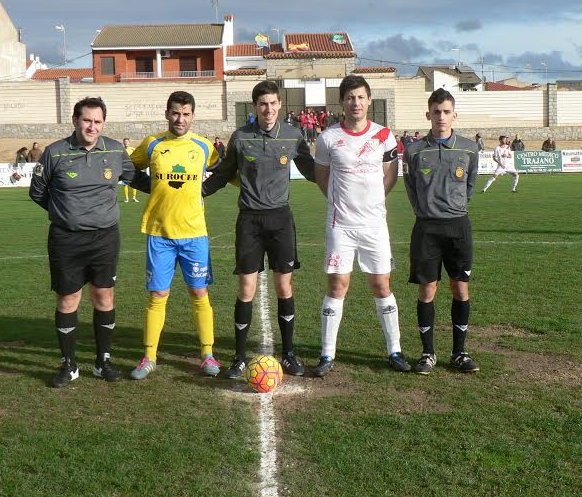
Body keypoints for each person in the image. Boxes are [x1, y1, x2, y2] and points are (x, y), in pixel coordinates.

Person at [29, 97, 144, 388]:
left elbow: (137, 180)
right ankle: (69, 365)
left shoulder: (116, 150)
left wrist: (174, 183)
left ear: (103, 123)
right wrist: (66, 214)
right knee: (68, 299)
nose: (92, 126)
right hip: (66, 239)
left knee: (104, 297)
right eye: (87, 120)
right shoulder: (54, 153)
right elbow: (38, 192)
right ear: (75, 120)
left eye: (97, 121)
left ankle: (102, 361)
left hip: (105, 238)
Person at [204, 80, 316, 378]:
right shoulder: (240, 137)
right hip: (249, 221)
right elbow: (224, 174)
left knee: (284, 287)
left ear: (281, 105)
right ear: (255, 106)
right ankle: (240, 357)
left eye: (273, 103)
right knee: (246, 289)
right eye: (262, 104)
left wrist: (344, 179)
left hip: (281, 220)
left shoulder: (293, 136)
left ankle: (289, 353)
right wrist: (197, 191)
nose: (268, 109)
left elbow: (312, 170)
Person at [312, 74, 410, 377]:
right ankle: (327, 355)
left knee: (382, 285)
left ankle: (394, 350)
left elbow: (390, 175)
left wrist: (373, 202)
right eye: (349, 97)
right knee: (337, 285)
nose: (355, 102)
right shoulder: (327, 138)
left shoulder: (384, 135)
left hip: (374, 227)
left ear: (369, 100)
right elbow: (322, 178)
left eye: (360, 97)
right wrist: (341, 204)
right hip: (340, 226)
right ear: (342, 102)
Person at [128, 91, 221, 380]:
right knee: (158, 294)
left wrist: (205, 190)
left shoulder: (204, 146)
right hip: (160, 233)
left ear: (193, 116)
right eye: (175, 113)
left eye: (186, 114)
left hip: (195, 233)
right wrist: (151, 188)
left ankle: (207, 354)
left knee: (199, 292)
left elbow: (222, 170)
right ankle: (149, 356)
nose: (180, 119)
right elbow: (128, 169)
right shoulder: (153, 144)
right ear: (167, 113)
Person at [403, 88, 480, 375]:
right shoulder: (413, 151)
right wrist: (427, 211)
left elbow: (470, 186)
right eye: (436, 112)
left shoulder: (469, 148)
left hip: (458, 225)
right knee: (427, 290)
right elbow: (411, 188)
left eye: (446, 111)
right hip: (426, 228)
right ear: (428, 115)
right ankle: (427, 353)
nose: (441, 117)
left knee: (460, 288)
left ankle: (460, 352)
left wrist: (454, 207)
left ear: (454, 115)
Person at [120, 138, 139, 203]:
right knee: (125, 184)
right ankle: (126, 198)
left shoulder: (132, 149)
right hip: (125, 169)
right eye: (125, 142)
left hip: (132, 168)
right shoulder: (121, 150)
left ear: (129, 142)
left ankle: (134, 197)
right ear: (123, 143)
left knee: (134, 183)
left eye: (127, 142)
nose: (126, 143)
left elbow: (137, 156)